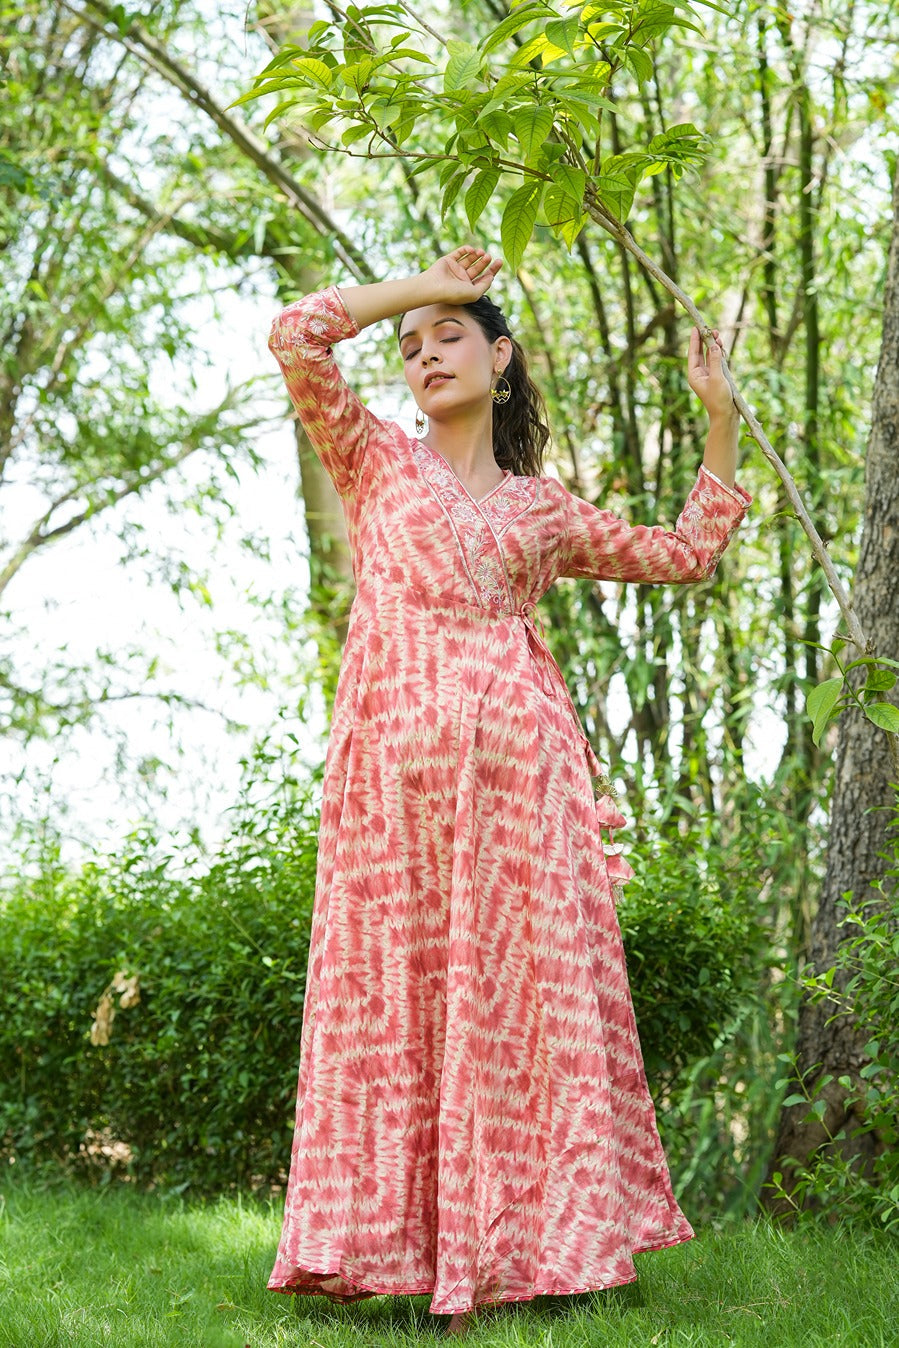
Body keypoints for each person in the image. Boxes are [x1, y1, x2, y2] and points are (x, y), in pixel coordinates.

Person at [265, 246, 750, 1336]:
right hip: (394, 782)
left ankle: (547, 1247)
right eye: (407, 344)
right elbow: (296, 332)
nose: (422, 353)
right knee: (393, 1000)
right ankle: (399, 1248)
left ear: (500, 354)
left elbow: (680, 553)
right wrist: (422, 282)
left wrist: (715, 415)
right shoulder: (372, 459)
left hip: (522, 790)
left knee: (523, 1010)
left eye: (449, 334)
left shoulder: (541, 509)